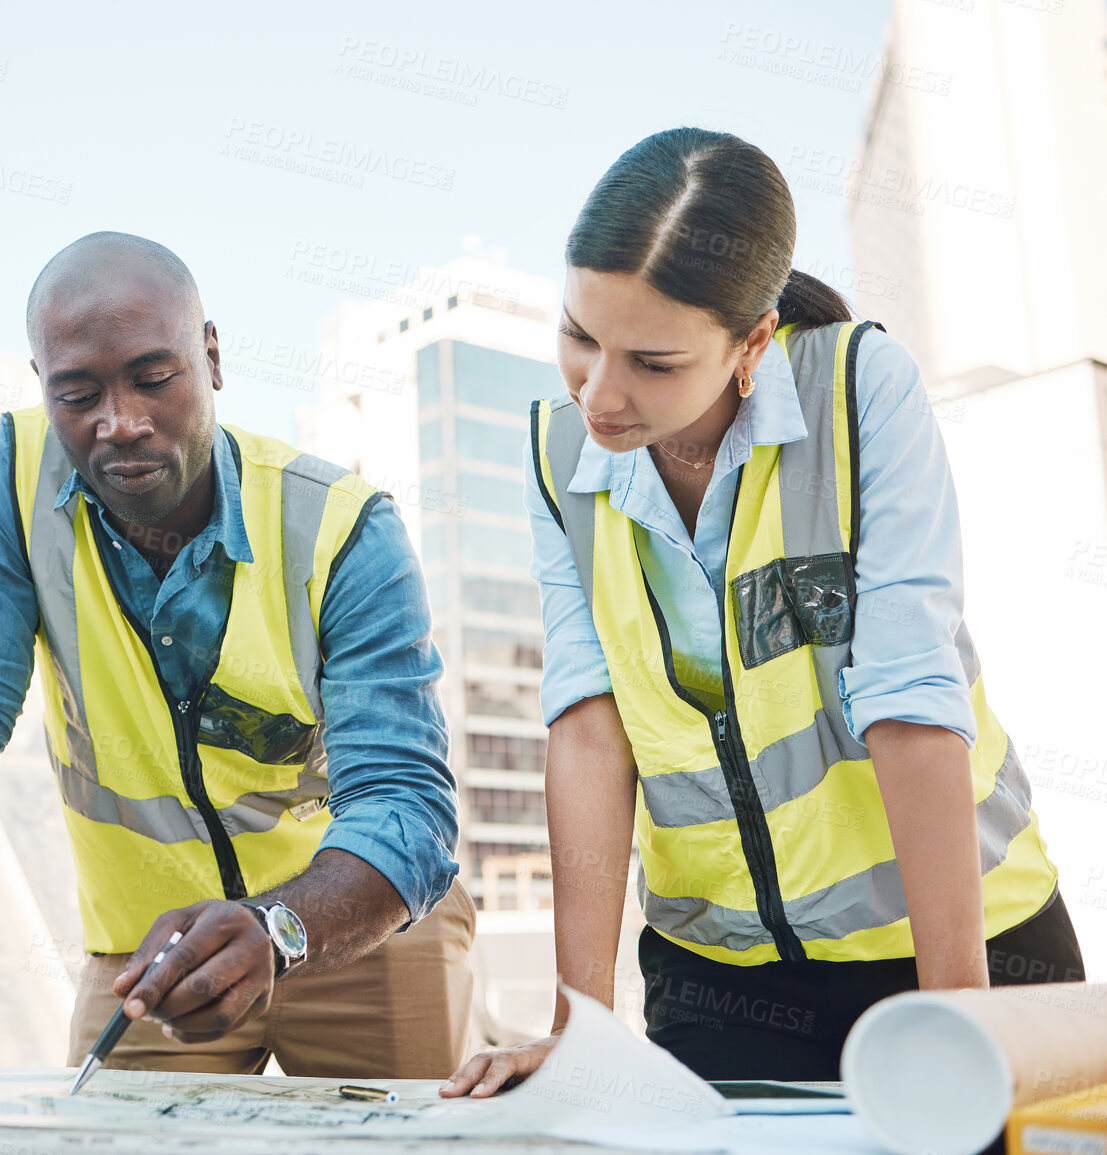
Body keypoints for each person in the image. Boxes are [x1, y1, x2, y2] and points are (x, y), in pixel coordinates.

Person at [443, 127, 1083, 1096]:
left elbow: (910, 691)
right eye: (580, 335)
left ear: (752, 344)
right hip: (722, 980)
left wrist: (965, 1017)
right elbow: (588, 723)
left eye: (652, 363)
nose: (598, 393)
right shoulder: (555, 452)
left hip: (963, 953)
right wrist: (582, 1032)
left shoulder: (859, 389)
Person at [0, 232, 474, 1085]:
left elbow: (405, 803)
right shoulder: (13, 479)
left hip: (354, 932)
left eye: (154, 379)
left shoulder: (342, 526)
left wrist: (276, 929)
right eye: (76, 393)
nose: (119, 422)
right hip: (148, 959)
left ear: (213, 357)